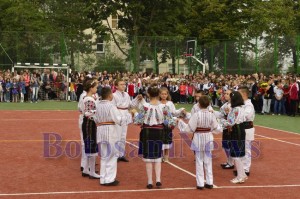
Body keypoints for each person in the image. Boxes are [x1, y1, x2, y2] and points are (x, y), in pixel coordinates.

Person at [133, 84, 176, 189]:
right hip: (159, 132)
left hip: (147, 131)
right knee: (157, 156)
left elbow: (137, 121)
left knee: (148, 158)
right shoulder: (164, 107)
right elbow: (170, 123)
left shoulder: (145, 106)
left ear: (148, 94)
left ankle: (149, 181)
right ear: (158, 95)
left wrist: (134, 113)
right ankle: (158, 180)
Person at [178, 95, 222, 190]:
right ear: (209, 104)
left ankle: (200, 183)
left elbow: (189, 129)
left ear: (199, 104)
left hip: (198, 137)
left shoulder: (196, 115)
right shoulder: (211, 115)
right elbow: (216, 128)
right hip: (208, 138)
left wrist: (180, 122)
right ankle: (210, 182)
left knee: (199, 161)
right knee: (208, 160)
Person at [95, 87, 132, 186]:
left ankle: (103, 178)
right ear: (109, 95)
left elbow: (95, 119)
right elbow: (119, 120)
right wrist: (129, 115)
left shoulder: (97, 105)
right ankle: (109, 179)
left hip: (100, 131)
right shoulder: (111, 106)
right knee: (112, 155)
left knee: (103, 156)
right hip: (110, 131)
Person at [112, 79, 142, 162]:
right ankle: (116, 155)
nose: (123, 86)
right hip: (118, 114)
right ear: (116, 86)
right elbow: (112, 107)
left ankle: (121, 154)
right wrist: (116, 117)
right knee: (117, 135)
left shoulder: (126, 94)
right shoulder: (113, 95)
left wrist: (137, 99)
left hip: (125, 113)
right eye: (121, 84)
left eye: (124, 84)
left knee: (123, 135)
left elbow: (131, 106)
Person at [221, 91, 247, 184]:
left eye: (231, 98)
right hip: (239, 130)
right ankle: (242, 175)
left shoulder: (236, 109)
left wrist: (220, 122)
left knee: (236, 155)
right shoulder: (239, 108)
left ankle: (240, 176)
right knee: (237, 155)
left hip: (236, 131)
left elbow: (230, 122)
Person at [159, 87, 185, 162]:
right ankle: (160, 156)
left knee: (167, 140)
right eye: (162, 94)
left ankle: (166, 156)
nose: (164, 95)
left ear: (167, 95)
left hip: (168, 125)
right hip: (160, 124)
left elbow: (174, 112)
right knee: (160, 140)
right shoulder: (158, 104)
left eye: (165, 94)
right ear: (159, 95)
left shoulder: (170, 103)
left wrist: (181, 110)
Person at [81, 78, 100, 179]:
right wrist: (97, 114)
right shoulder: (89, 99)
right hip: (89, 123)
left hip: (89, 123)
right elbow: (88, 113)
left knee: (89, 145)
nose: (97, 89)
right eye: (96, 87)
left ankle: (86, 169)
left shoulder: (89, 98)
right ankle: (91, 171)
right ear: (91, 88)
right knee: (91, 145)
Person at [238, 86, 255, 177]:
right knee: (241, 148)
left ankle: (246, 169)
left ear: (244, 94)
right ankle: (241, 168)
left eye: (239, 94)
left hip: (247, 128)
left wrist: (237, 115)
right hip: (241, 128)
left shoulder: (248, 105)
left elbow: (246, 116)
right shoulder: (242, 104)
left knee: (246, 149)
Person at [218, 89, 234, 169]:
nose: (226, 95)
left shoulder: (235, 106)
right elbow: (220, 115)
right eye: (225, 93)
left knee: (229, 144)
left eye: (228, 94)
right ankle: (229, 160)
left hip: (231, 128)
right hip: (225, 127)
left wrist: (228, 115)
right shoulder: (224, 105)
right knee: (225, 144)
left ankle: (231, 163)